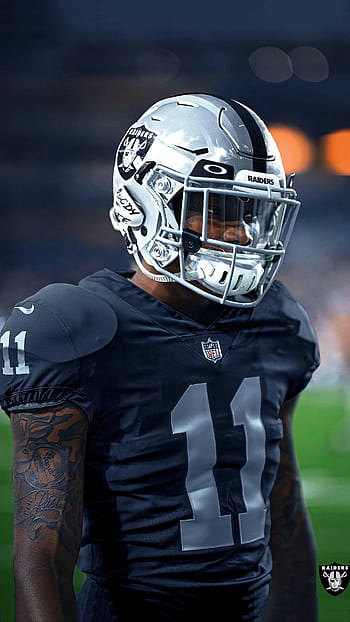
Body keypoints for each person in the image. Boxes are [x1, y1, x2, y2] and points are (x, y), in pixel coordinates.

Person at [0, 93, 320, 622]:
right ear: (149, 203)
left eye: (255, 213)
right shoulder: (75, 328)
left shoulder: (278, 322)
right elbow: (41, 559)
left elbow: (283, 520)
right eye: (222, 210)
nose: (244, 233)